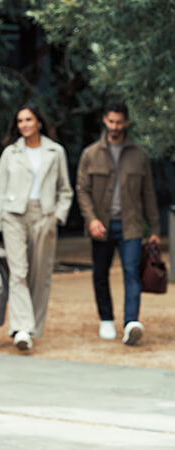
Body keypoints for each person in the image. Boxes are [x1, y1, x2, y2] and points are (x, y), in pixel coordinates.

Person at [0, 104, 74, 351]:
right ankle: (21, 328)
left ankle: (32, 326)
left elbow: (65, 190)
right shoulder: (10, 153)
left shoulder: (56, 152)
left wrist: (57, 216)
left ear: (39, 123)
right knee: (19, 272)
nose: (23, 124)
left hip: (44, 216)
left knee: (40, 274)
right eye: (20, 121)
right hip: (13, 215)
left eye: (28, 119)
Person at [76, 101, 160, 345]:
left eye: (119, 122)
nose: (115, 126)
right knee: (100, 274)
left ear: (126, 123)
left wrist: (154, 228)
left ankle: (131, 322)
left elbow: (148, 194)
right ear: (105, 120)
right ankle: (106, 319)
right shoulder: (90, 154)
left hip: (130, 226)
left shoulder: (139, 155)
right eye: (111, 121)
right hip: (101, 226)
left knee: (132, 272)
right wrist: (91, 219)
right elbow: (82, 190)